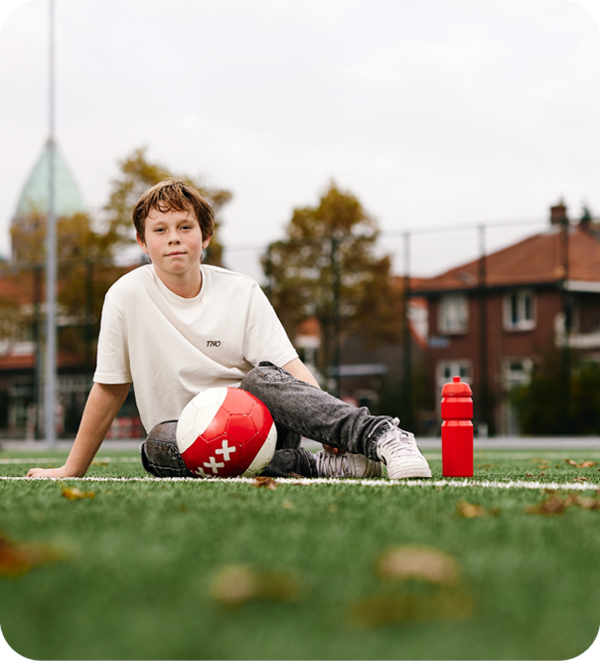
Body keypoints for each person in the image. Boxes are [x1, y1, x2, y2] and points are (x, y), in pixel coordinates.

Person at [27, 179, 431, 481]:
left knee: (262, 377)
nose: (174, 240)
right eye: (160, 230)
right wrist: (72, 469)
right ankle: (311, 466)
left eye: (185, 227)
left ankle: (381, 436)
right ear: (141, 241)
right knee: (155, 448)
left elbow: (290, 371)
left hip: (265, 428)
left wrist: (332, 428)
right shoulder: (125, 296)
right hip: (185, 438)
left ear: (205, 237)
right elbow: (110, 385)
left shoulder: (241, 290)